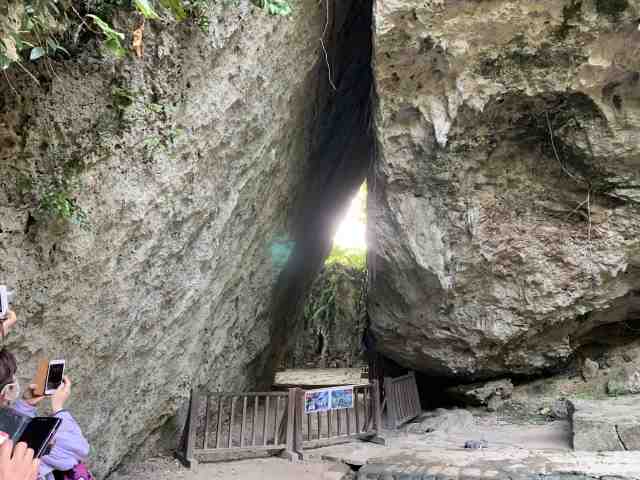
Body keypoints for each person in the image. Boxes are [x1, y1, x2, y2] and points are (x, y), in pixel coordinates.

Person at [0, 310, 89, 480]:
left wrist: (26, 406)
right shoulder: (14, 466)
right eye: (10, 387)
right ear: (4, 393)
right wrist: (59, 407)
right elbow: (78, 449)